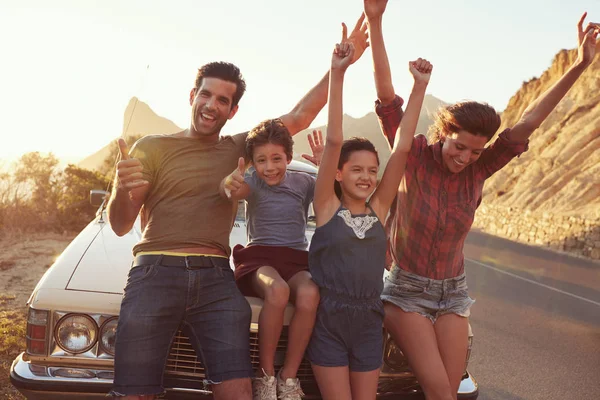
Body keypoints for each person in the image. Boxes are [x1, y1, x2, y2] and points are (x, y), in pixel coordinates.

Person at [106, 16, 370, 400]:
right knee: (135, 393)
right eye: (206, 95)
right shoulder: (151, 147)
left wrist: (337, 68)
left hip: (215, 276)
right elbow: (120, 223)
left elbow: (299, 116)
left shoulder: (240, 148)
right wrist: (122, 188)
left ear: (232, 110)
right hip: (155, 270)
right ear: (192, 96)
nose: (212, 105)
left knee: (238, 392)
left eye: (223, 101)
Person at [368, 2, 600, 399]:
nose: (465, 158)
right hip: (405, 291)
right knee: (440, 389)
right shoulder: (413, 155)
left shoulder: (479, 169)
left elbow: (529, 120)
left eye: (475, 152)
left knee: (453, 393)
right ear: (444, 132)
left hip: (453, 292)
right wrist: (375, 21)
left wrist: (579, 65)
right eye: (459, 147)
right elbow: (388, 97)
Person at [305, 25, 432, 400]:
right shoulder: (326, 208)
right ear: (339, 174)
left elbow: (403, 149)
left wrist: (419, 87)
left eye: (372, 170)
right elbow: (333, 140)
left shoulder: (378, 209)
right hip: (329, 324)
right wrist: (339, 71)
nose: (366, 177)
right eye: (356, 170)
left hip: (368, 323)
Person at [220, 121, 323, 400]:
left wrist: (328, 169)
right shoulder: (252, 181)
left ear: (288, 157)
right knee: (277, 291)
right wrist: (229, 184)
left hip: (295, 260)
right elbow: (233, 191)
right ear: (253, 163)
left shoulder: (305, 182)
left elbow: (333, 197)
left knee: (310, 293)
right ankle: (264, 376)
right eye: (261, 160)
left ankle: (288, 376)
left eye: (277, 159)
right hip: (259, 258)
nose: (270, 167)